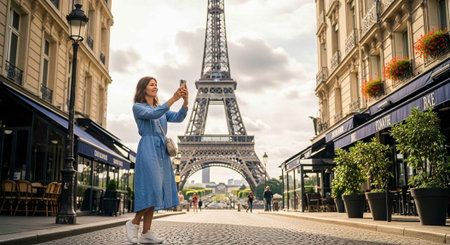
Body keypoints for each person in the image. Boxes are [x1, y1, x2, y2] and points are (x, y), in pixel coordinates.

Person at [125, 76, 188, 244]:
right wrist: (174, 98)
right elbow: (153, 113)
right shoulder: (138, 107)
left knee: (157, 190)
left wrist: (185, 101)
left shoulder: (162, 109)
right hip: (148, 147)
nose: (155, 87)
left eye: (156, 85)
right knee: (151, 188)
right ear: (143, 88)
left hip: (162, 151)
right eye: (152, 85)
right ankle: (134, 223)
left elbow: (179, 117)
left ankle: (146, 232)